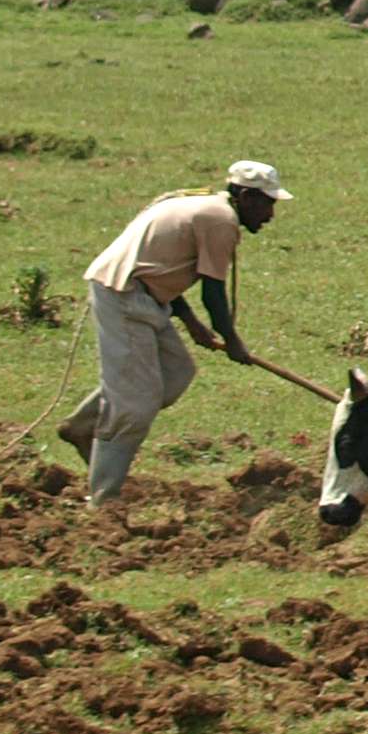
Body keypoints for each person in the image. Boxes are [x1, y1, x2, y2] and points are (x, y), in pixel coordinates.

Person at [60, 159, 290, 504]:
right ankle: (104, 500)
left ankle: (82, 427)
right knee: (135, 404)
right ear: (245, 197)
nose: (270, 216)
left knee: (176, 371)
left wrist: (190, 321)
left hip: (146, 295)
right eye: (267, 204)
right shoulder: (220, 220)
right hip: (124, 295)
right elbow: (213, 292)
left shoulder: (204, 207)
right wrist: (233, 343)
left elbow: (164, 263)